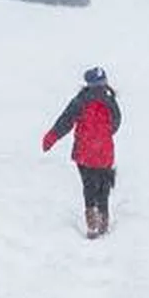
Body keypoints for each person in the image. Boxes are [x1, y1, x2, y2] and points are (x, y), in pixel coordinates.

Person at [42, 66, 122, 239]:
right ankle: (103, 218)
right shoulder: (110, 100)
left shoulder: (81, 100)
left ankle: (92, 221)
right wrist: (103, 135)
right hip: (104, 152)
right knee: (104, 186)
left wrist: (50, 138)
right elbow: (116, 123)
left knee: (89, 186)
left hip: (84, 153)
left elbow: (65, 121)